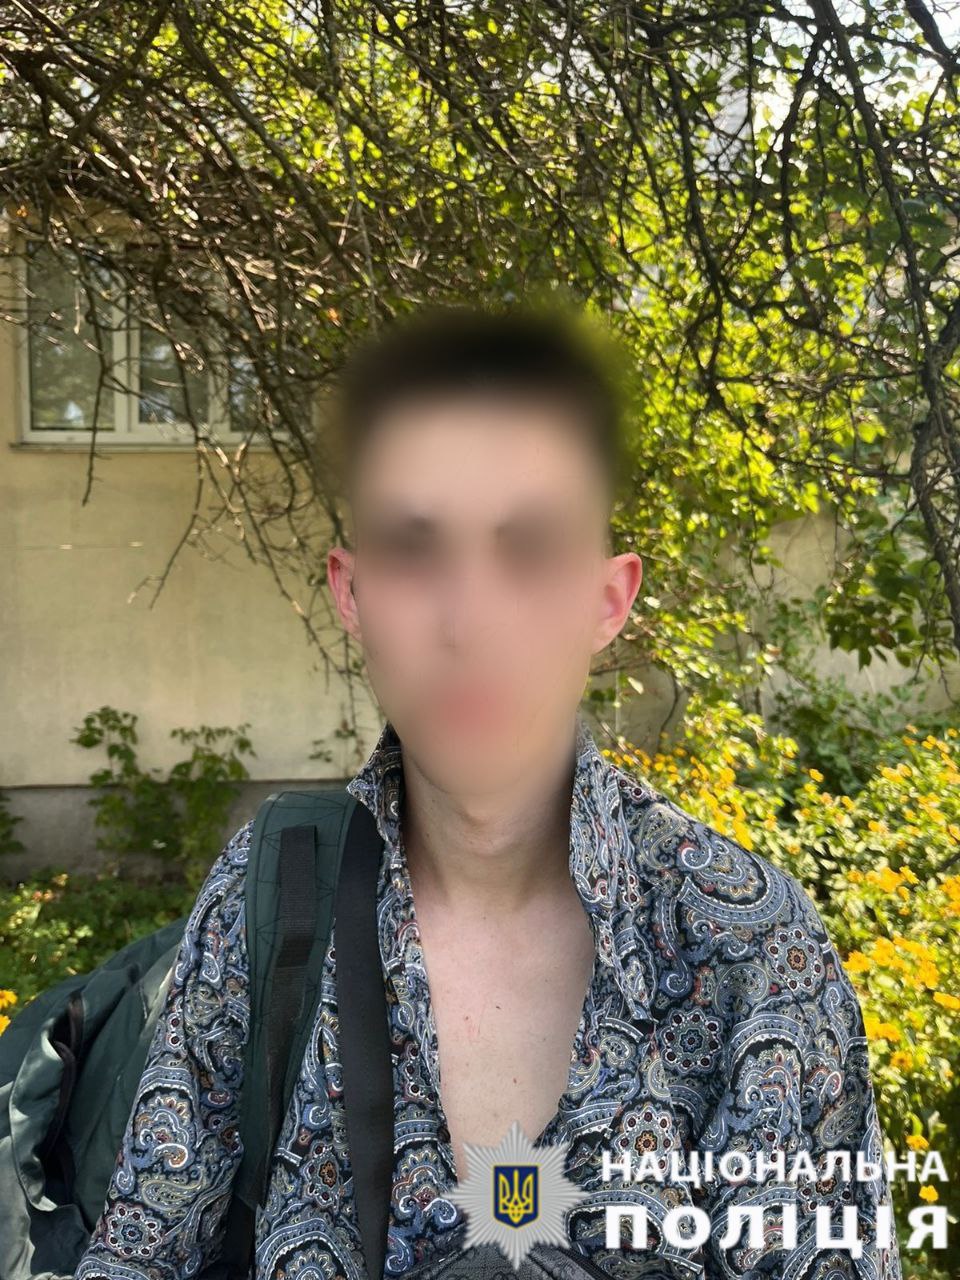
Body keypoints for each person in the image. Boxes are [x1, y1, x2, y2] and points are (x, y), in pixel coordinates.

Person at [74, 301, 904, 1280]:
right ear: (352, 593)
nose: (470, 620)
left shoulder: (750, 947)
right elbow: (140, 1249)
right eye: (415, 548)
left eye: (530, 547)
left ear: (607, 600)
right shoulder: (274, 896)